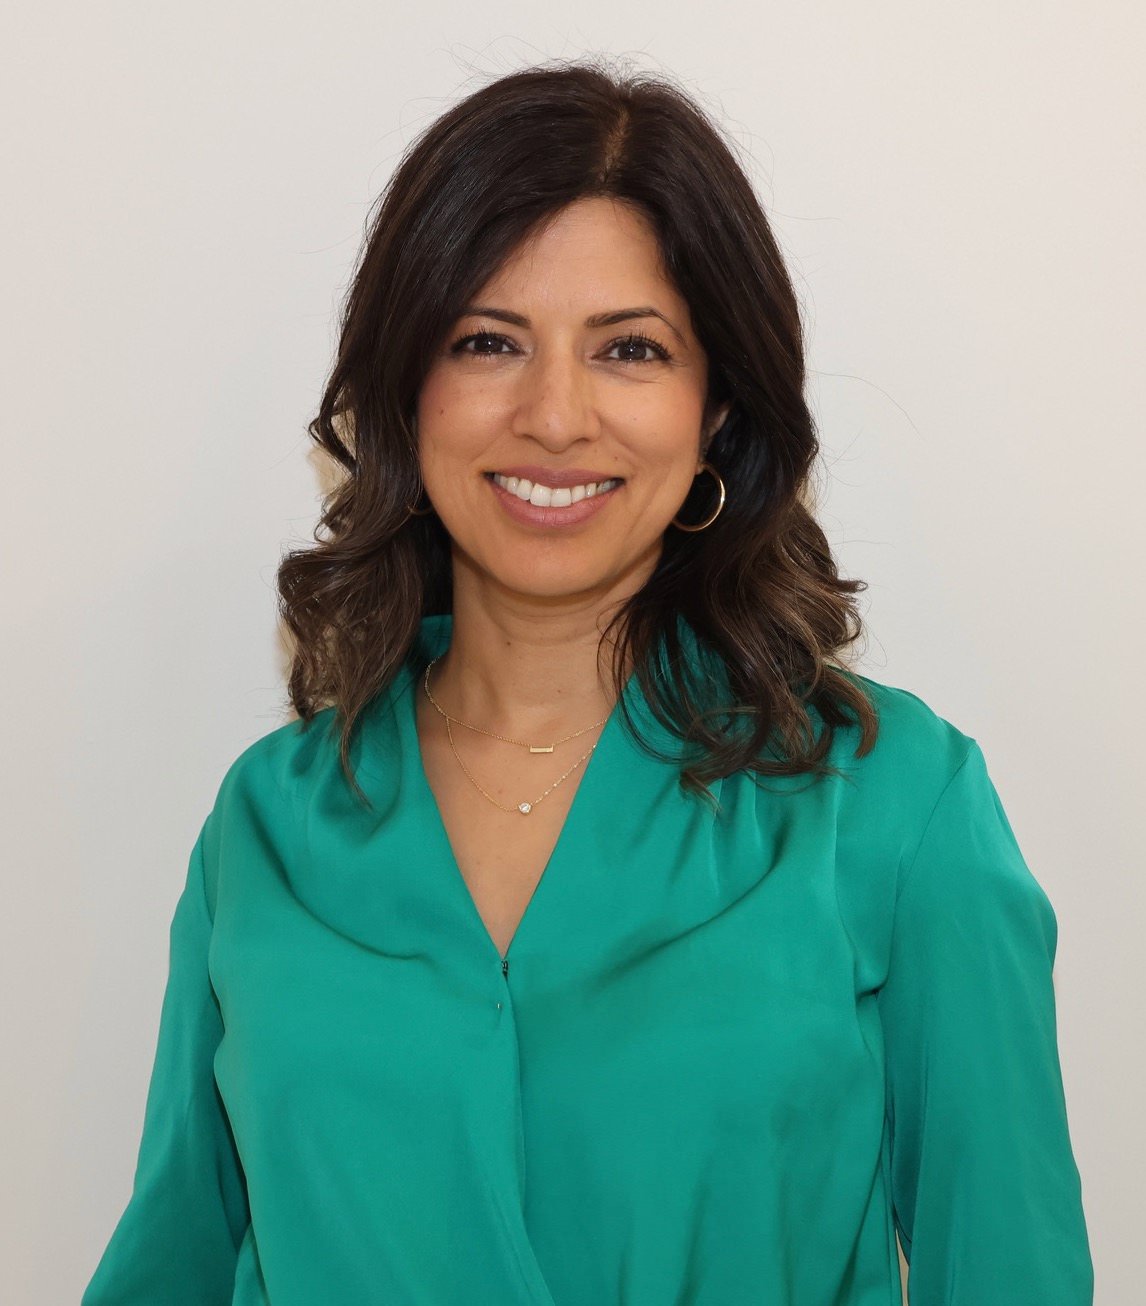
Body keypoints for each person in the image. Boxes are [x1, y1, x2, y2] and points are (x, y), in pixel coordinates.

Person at [82, 58, 1093, 1305]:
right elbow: (172, 1263)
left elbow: (1010, 1274)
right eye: (488, 341)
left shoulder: (896, 806)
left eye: (630, 348)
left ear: (715, 408)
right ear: (409, 389)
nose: (555, 416)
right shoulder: (269, 824)